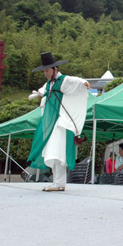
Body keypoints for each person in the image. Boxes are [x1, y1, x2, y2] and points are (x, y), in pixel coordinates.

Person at [27, 52, 90, 192]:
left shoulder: (64, 80)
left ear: (55, 69)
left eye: (47, 70)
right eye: (44, 71)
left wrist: (83, 83)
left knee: (57, 151)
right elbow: (43, 90)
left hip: (60, 122)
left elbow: (76, 81)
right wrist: (37, 94)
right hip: (51, 123)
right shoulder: (49, 83)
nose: (45, 73)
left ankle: (59, 182)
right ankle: (58, 182)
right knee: (52, 150)